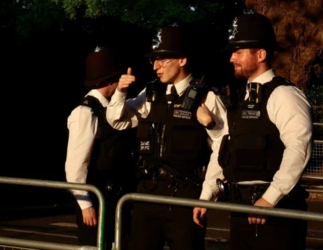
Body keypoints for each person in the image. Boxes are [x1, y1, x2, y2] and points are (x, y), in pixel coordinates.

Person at [193, 12, 313, 250]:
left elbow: (299, 147)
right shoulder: (241, 99)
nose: (231, 58)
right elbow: (225, 148)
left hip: (275, 214)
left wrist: (270, 198)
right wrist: (207, 195)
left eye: (238, 51)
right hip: (241, 210)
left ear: (261, 54)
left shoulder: (284, 95)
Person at [105, 24, 228, 250]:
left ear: (182, 60)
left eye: (163, 59)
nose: (156, 66)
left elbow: (223, 146)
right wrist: (120, 93)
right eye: (153, 60)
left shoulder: (206, 96)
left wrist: (207, 195)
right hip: (147, 192)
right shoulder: (151, 93)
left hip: (184, 197)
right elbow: (117, 120)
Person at [65, 46, 137, 250]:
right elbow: (75, 164)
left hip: (115, 196)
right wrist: (85, 204)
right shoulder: (85, 112)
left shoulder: (109, 109)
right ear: (112, 80)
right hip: (97, 198)